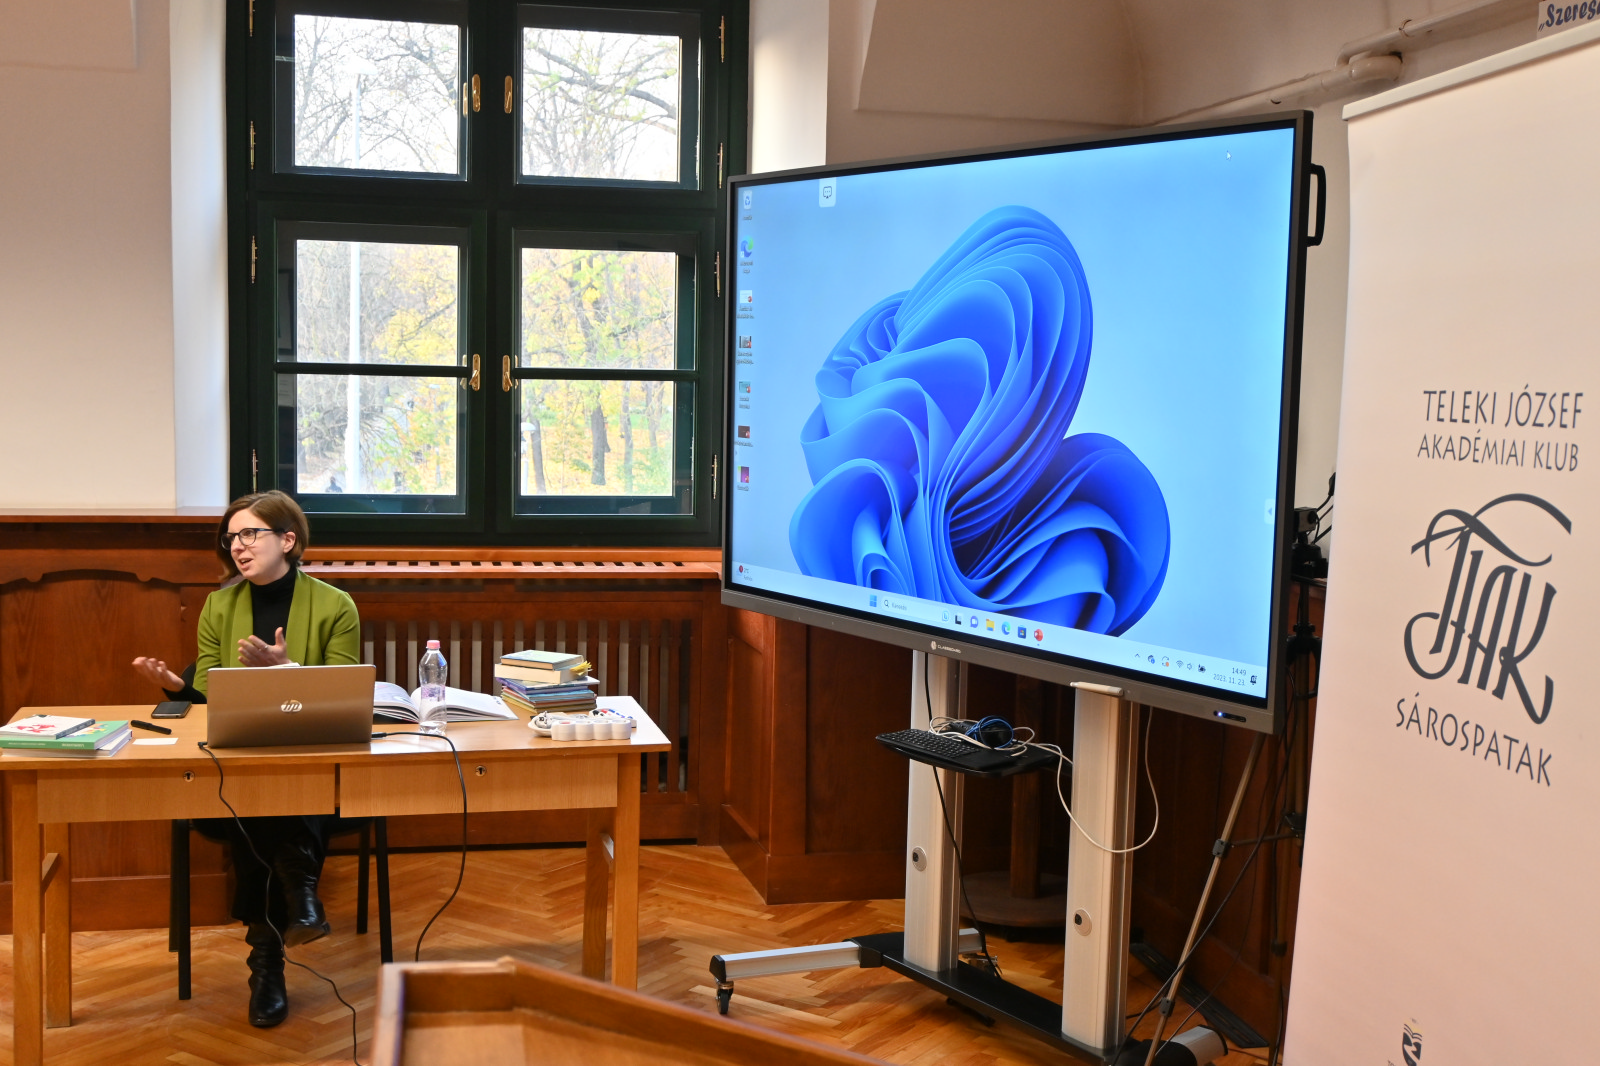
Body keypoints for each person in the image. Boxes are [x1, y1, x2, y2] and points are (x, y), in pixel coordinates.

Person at [132, 490, 360, 1029]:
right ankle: (300, 890)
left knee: (266, 801)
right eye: (231, 536)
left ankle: (265, 964)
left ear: (288, 540)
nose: (237, 545)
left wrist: (287, 672)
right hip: (238, 761)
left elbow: (345, 693)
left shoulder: (336, 606)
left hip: (312, 762)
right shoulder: (219, 606)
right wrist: (178, 688)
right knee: (253, 795)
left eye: (251, 533)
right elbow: (211, 694)